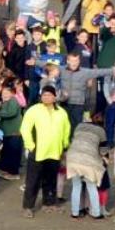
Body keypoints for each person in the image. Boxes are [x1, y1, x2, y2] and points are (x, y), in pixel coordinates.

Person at [20, 85, 71, 218]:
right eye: (44, 95)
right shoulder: (34, 110)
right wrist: (30, 145)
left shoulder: (61, 112)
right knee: (33, 180)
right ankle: (28, 206)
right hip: (38, 151)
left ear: (55, 97)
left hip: (55, 151)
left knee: (51, 179)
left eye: (49, 95)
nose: (46, 97)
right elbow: (25, 129)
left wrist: (64, 145)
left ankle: (49, 203)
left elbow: (67, 129)